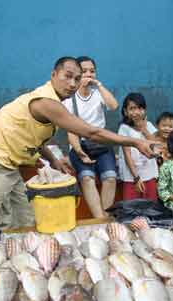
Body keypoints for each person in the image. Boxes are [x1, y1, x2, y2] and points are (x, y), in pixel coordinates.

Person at [0, 57, 155, 229]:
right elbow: (91, 132)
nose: (72, 84)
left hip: (9, 165)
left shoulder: (57, 101)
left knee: (26, 222)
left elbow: (33, 136)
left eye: (77, 79)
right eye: (68, 76)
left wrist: (53, 160)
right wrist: (135, 142)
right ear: (53, 75)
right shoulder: (47, 102)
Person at [62, 56, 119, 218]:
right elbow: (70, 130)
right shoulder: (69, 99)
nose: (89, 74)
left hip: (101, 144)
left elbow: (114, 106)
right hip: (80, 145)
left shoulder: (98, 94)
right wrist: (79, 151)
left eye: (92, 71)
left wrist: (99, 85)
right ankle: (99, 219)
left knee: (110, 178)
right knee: (87, 178)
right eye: (84, 71)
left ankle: (105, 217)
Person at [118, 93, 158, 201]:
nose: (136, 112)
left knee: (151, 206)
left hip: (149, 174)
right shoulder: (124, 129)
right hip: (132, 177)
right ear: (125, 111)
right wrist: (136, 177)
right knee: (132, 206)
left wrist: (144, 129)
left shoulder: (148, 125)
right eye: (132, 108)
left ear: (144, 110)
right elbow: (127, 155)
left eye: (140, 108)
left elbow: (155, 146)